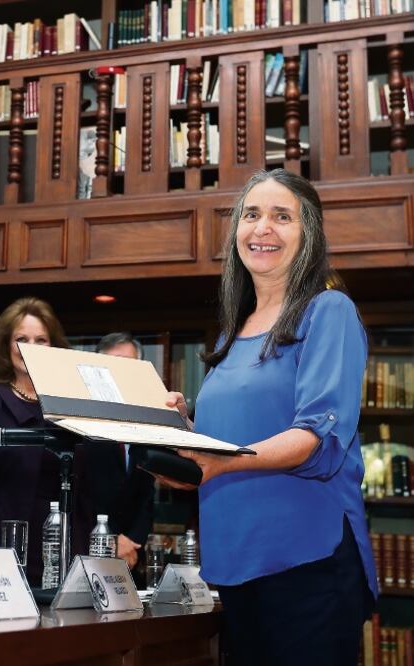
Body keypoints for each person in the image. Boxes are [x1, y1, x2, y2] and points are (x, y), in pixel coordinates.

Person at [159, 169, 376, 665]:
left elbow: (316, 439)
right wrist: (179, 439)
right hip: (234, 561)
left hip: (309, 560)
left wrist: (217, 460)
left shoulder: (329, 310)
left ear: (308, 235)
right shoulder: (227, 338)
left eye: (283, 217)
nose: (263, 228)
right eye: (251, 215)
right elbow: (223, 449)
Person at [0, 297, 76, 585]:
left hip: (59, 551)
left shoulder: (72, 406)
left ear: (53, 346)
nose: (30, 347)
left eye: (41, 340)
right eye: (21, 338)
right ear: (6, 345)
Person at [83, 332, 155, 573]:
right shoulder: (80, 419)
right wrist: (111, 539)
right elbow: (80, 492)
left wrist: (132, 540)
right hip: (86, 549)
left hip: (131, 558)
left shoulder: (146, 421)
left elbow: (146, 492)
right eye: (113, 365)